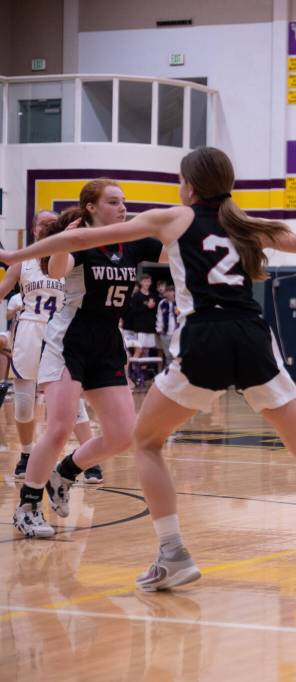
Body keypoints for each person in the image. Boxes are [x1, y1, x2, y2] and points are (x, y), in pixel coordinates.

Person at [0, 147, 296, 596]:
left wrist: (16, 253)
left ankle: (172, 554)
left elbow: (74, 242)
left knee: (146, 442)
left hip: (205, 339)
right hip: (253, 337)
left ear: (189, 186)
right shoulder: (249, 227)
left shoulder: (173, 219)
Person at [11, 180, 163, 539]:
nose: (122, 207)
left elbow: (175, 251)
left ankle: (66, 470)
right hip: (70, 338)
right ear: (92, 207)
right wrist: (66, 240)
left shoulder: (135, 240)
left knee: (123, 435)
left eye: (124, 201)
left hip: (108, 340)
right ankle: (28, 505)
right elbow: (56, 271)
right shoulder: (81, 240)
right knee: (60, 426)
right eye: (113, 202)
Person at [0, 211, 94, 481]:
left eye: (52, 223)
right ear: (34, 227)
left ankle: (87, 458)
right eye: (42, 222)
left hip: (61, 332)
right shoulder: (24, 260)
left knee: (71, 397)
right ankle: (26, 454)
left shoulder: (69, 258)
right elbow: (3, 290)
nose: (46, 226)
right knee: (24, 404)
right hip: (29, 330)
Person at [155, 285, 179, 361]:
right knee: (167, 355)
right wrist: (159, 329)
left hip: (176, 332)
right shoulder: (161, 303)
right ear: (164, 293)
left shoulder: (178, 303)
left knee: (176, 354)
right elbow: (159, 316)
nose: (169, 293)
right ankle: (168, 370)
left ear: (174, 292)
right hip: (165, 332)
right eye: (167, 292)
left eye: (170, 291)